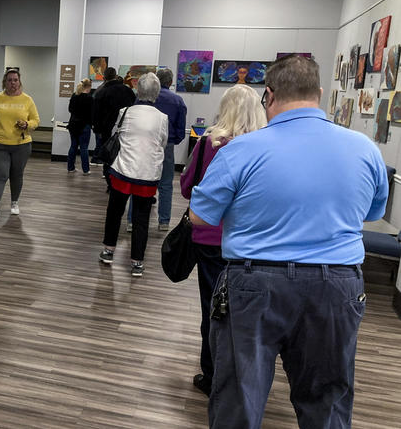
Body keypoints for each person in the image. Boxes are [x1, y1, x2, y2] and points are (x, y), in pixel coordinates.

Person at [189, 55, 388, 428]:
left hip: (254, 284)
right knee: (327, 397)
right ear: (321, 93)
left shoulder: (240, 150)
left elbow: (201, 216)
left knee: (238, 396)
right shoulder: (364, 149)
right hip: (337, 286)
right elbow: (372, 213)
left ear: (270, 94)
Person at [179, 85, 267, 398]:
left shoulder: (208, 143)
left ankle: (212, 373)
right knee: (249, 312)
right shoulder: (267, 146)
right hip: (253, 242)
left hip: (210, 237)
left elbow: (188, 188)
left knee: (212, 308)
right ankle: (244, 376)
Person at [98, 73, 169, 277]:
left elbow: (115, 133)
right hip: (147, 174)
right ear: (156, 93)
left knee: (114, 212)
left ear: (138, 90)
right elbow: (162, 143)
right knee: (141, 218)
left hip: (122, 170)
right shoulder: (162, 118)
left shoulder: (125, 111)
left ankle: (108, 250)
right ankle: (137, 262)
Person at [127, 68, 186, 232]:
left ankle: (132, 220)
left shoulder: (142, 99)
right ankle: (164, 221)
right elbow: (180, 131)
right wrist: (172, 141)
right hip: (166, 146)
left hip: (143, 143)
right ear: (171, 82)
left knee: (138, 181)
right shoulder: (178, 101)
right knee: (166, 185)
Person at [0, 69, 39, 219]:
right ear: (5, 82)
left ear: (19, 82)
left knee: (16, 175)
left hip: (21, 145)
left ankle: (14, 202)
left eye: (15, 80)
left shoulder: (27, 100)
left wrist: (27, 124)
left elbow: (36, 120)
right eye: (9, 80)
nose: (13, 83)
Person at [91, 67, 137, 187]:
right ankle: (123, 181)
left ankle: (110, 183)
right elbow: (134, 108)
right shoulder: (127, 91)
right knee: (125, 155)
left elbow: (96, 113)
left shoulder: (101, 92)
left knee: (109, 156)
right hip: (128, 129)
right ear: (116, 76)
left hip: (107, 130)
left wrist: (97, 129)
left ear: (104, 77)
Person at [67, 78, 93, 174]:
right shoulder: (89, 98)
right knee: (84, 148)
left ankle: (70, 168)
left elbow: (70, 110)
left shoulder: (74, 96)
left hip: (73, 124)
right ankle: (85, 170)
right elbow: (91, 114)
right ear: (88, 87)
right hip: (84, 126)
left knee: (73, 146)